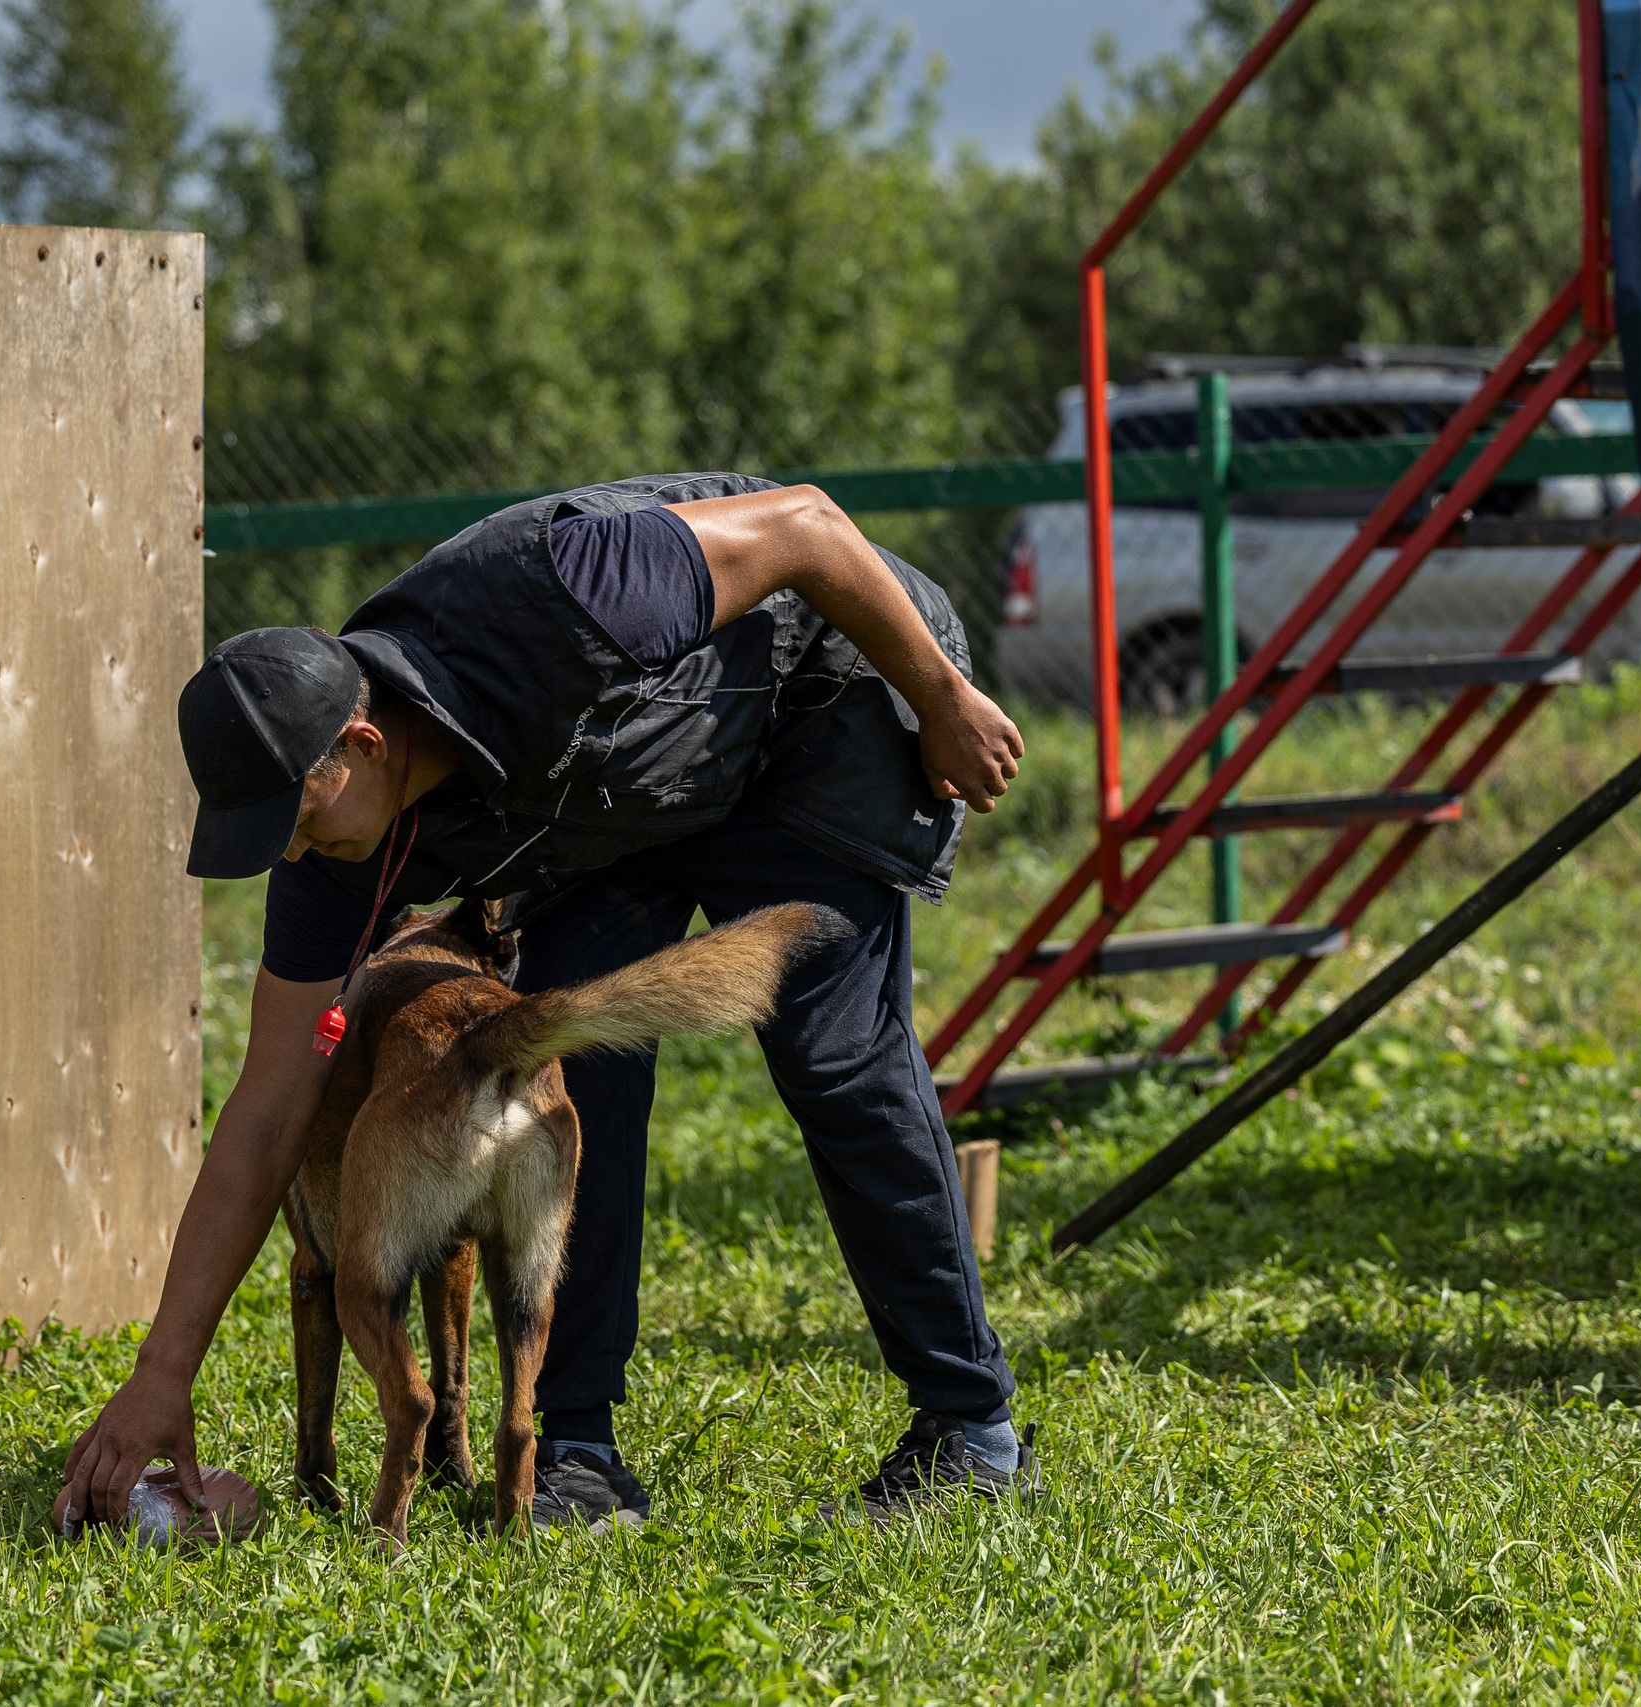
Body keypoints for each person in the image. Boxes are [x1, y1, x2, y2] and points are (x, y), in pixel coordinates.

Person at [56, 473, 1034, 1533]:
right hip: (629, 787)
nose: (289, 854)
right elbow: (263, 1116)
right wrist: (164, 1370)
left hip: (819, 697)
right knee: (576, 1059)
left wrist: (940, 698)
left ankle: (968, 1429)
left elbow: (807, 528)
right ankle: (577, 1450)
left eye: (294, 820)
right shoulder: (331, 855)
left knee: (832, 1055)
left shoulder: (556, 596)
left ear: (363, 746)